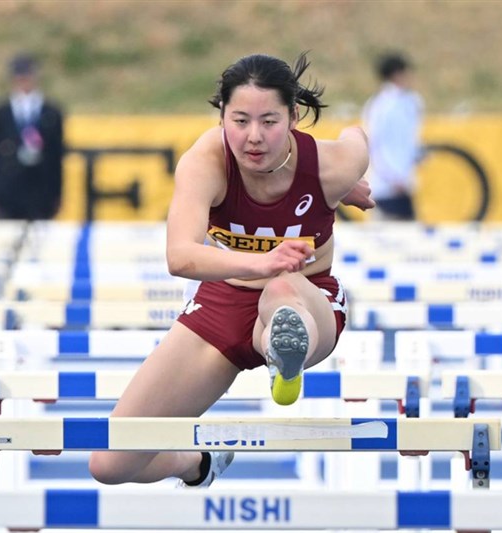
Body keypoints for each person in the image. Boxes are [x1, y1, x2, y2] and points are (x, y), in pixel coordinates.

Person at [88, 52, 373, 489]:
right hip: (223, 300)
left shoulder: (332, 166)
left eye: (269, 122)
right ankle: (196, 463)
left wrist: (340, 186)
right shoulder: (206, 161)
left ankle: (284, 356)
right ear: (222, 115)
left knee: (280, 293)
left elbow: (358, 136)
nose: (253, 138)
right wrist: (261, 261)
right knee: (110, 465)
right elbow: (179, 256)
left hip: (305, 295)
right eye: (239, 121)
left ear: (295, 117)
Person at [0, 53, 65, 220]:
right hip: (9, 188)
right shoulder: (2, 112)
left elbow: (57, 155)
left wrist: (58, 192)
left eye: (27, 75)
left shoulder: (51, 112)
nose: (24, 80)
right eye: (20, 76)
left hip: (41, 188)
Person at [361, 52, 423, 221]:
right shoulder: (380, 105)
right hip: (386, 186)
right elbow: (373, 144)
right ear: (397, 74)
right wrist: (393, 177)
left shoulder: (411, 101)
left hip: (404, 184)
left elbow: (409, 140)